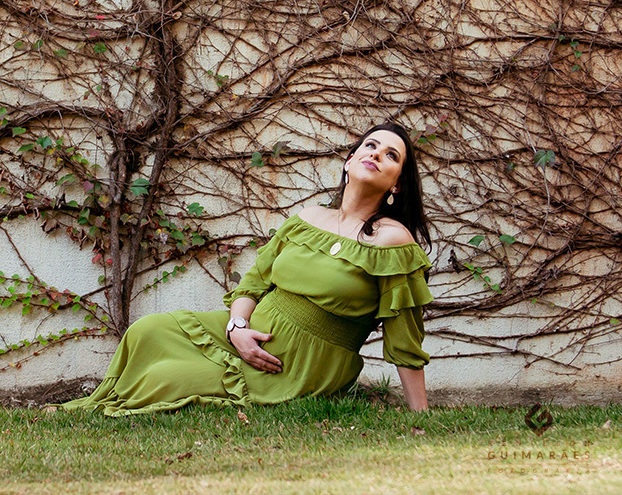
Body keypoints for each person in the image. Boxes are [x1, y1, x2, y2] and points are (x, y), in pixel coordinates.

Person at [61, 122, 434, 416]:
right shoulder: (308, 218)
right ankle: (105, 397)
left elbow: (404, 338)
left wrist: (420, 413)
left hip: (295, 363)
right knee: (147, 331)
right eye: (370, 145)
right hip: (251, 332)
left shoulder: (392, 241)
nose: (376, 154)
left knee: (164, 378)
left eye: (391, 155)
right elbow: (253, 283)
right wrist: (237, 327)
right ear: (348, 160)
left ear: (397, 184)